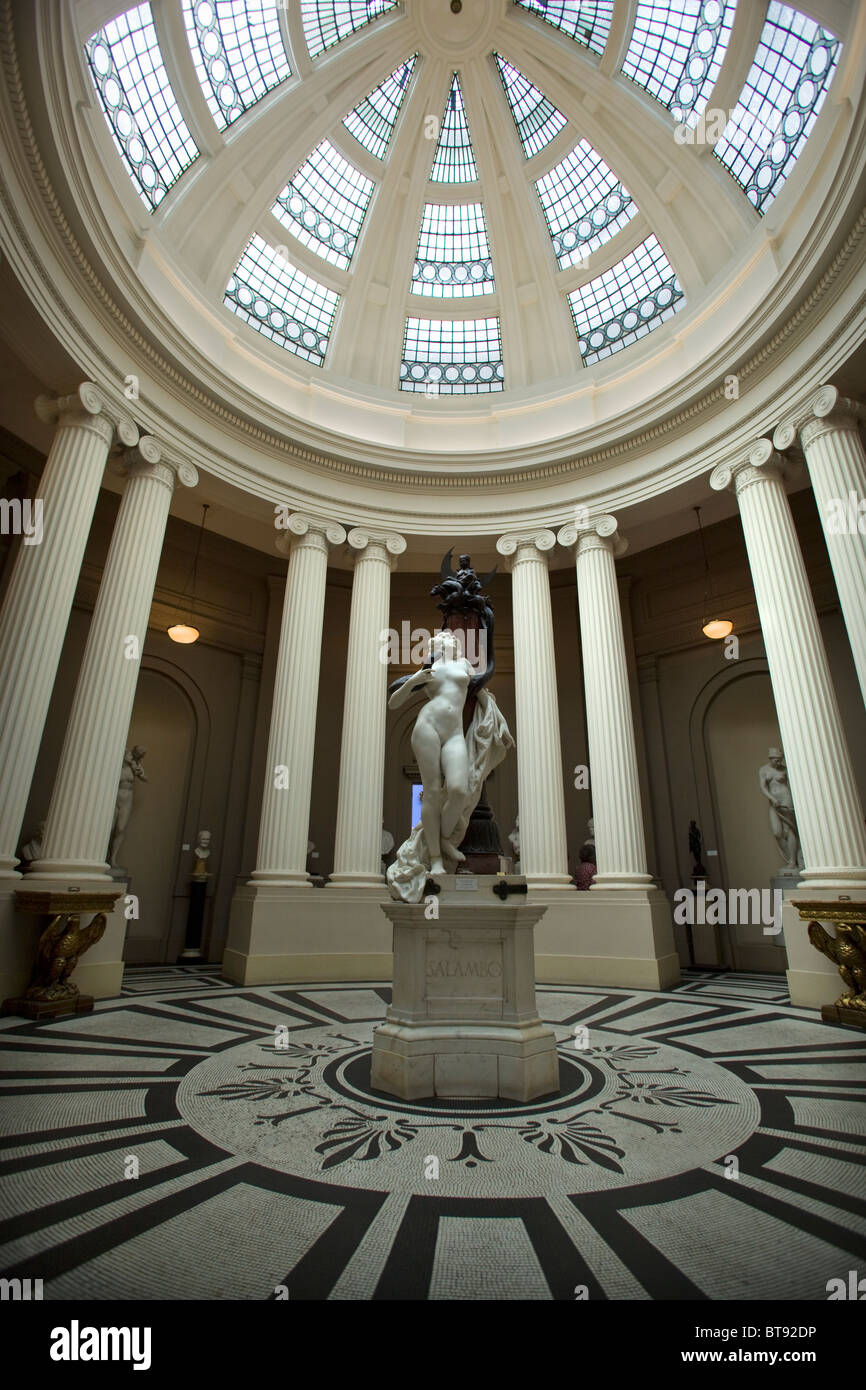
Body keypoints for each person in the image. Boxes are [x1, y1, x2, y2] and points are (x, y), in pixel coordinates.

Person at [388, 630, 473, 874]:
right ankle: (435, 858)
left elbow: (478, 691)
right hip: (428, 727)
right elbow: (394, 702)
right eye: (440, 639)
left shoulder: (465, 665)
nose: (445, 640)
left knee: (458, 790)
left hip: (454, 733)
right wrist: (415, 680)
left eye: (449, 639)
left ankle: (444, 838)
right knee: (433, 791)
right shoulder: (429, 668)